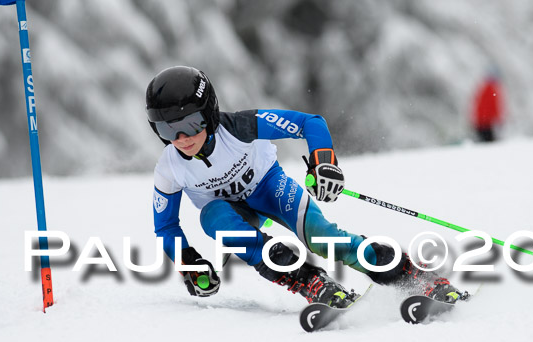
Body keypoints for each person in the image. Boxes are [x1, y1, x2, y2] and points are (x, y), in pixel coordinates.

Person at [147, 66, 466, 307]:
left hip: (269, 189)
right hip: (232, 214)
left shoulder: (241, 127)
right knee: (213, 217)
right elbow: (166, 227)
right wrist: (187, 261)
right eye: (167, 130)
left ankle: (417, 278)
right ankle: (312, 283)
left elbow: (310, 123)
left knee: (324, 239)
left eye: (190, 124)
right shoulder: (170, 167)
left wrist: (323, 162)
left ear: (209, 114)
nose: (181, 139)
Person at [471, 71, 504, 142]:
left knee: (484, 142)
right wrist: (498, 119)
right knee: (489, 144)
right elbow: (494, 107)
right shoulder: (491, 90)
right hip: (486, 123)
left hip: (480, 121)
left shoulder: (483, 88)